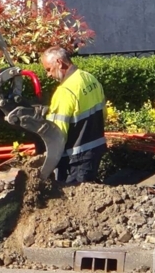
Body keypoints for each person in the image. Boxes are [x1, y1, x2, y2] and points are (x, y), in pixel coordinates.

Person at [41, 46, 106, 184]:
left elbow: (57, 134)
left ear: (59, 63)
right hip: (95, 148)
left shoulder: (64, 91)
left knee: (74, 197)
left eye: (48, 69)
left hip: (76, 157)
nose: (48, 75)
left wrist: (49, 161)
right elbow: (103, 113)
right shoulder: (90, 78)